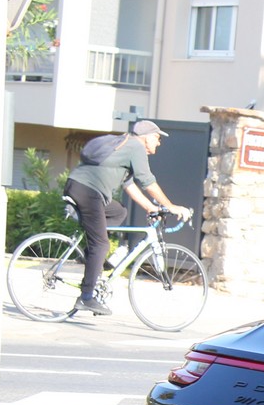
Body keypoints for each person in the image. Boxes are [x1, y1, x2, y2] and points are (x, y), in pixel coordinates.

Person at [63, 119, 192, 316]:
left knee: (119, 212)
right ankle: (86, 297)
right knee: (101, 244)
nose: (159, 143)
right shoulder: (135, 147)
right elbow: (147, 181)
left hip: (83, 188)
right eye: (157, 138)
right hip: (88, 191)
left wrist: (150, 207)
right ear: (146, 137)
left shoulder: (125, 146)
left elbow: (130, 185)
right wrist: (171, 206)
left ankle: (93, 257)